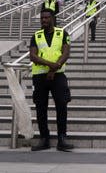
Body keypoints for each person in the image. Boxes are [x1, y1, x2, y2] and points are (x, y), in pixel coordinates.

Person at [29, 9, 74, 152]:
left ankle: (62, 137)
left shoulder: (63, 33)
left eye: (47, 18)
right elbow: (33, 56)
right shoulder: (36, 36)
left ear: (52, 19)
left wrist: (54, 69)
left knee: (62, 105)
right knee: (40, 107)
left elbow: (66, 53)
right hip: (40, 77)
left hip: (58, 76)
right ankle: (44, 138)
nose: (44, 20)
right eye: (42, 18)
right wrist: (50, 66)